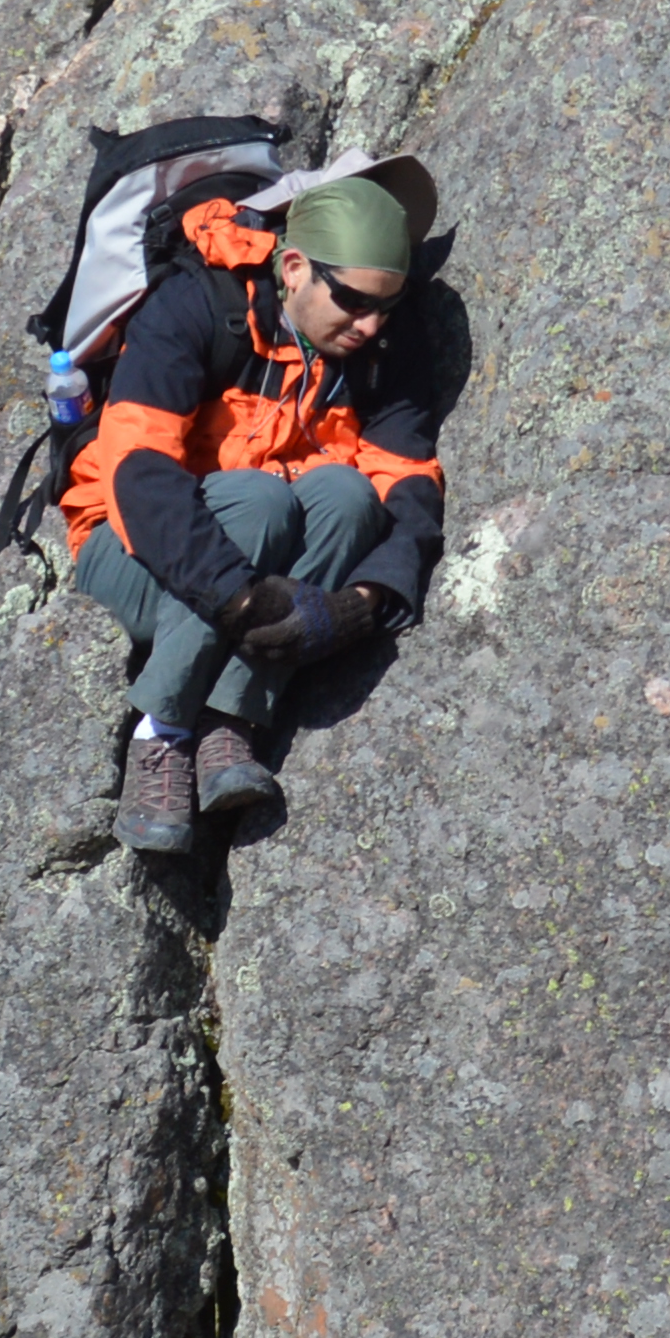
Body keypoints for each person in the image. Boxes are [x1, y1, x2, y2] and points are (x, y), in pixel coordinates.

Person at [58, 167, 458, 860]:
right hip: (130, 555)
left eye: (386, 308)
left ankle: (229, 721)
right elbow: (138, 474)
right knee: (263, 498)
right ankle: (163, 734)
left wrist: (366, 601)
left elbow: (406, 480)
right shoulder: (193, 306)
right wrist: (241, 600)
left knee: (346, 494)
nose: (370, 326)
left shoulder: (382, 345)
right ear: (296, 268)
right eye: (355, 303)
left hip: (244, 562)